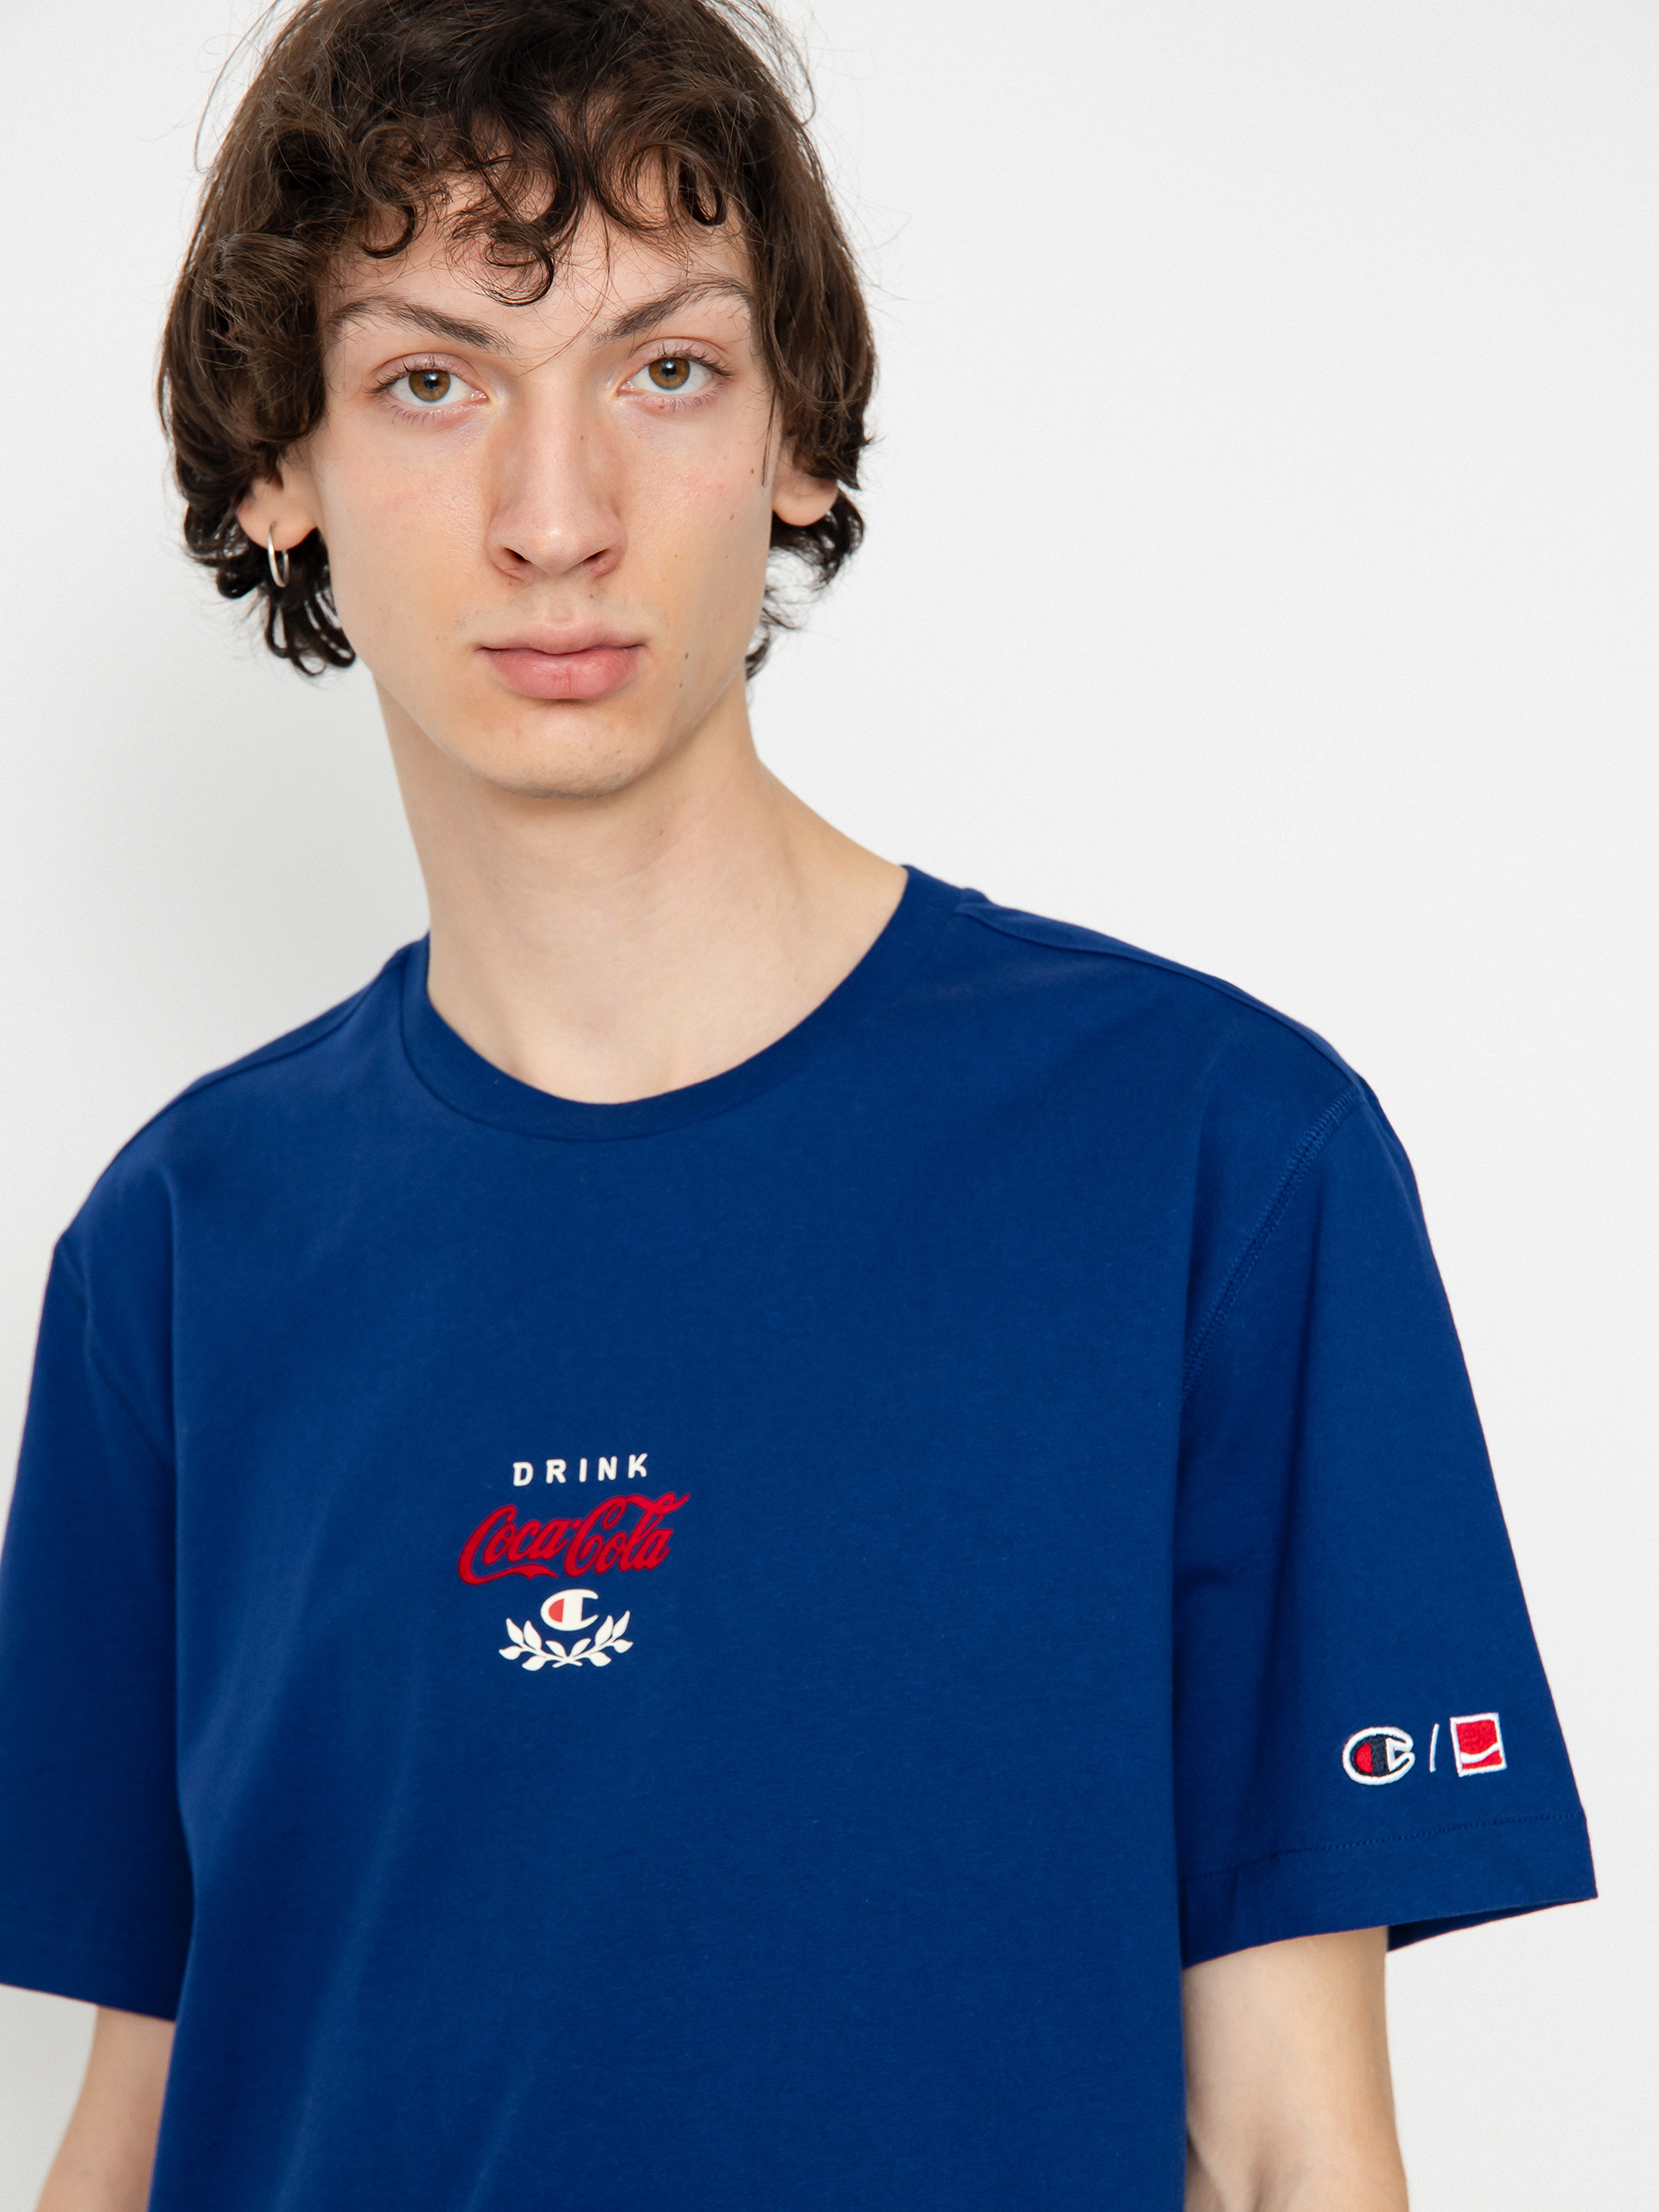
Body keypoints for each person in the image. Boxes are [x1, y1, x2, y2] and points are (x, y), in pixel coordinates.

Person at [0, 2, 1594, 2207]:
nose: (555, 518)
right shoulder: (179, 1249)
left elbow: (1291, 2151)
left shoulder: (1214, 1163)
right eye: (433, 379)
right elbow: (146, 2116)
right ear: (280, 467)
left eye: (664, 367)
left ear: (799, 440)